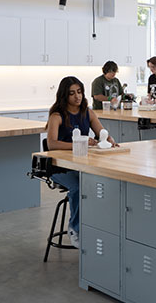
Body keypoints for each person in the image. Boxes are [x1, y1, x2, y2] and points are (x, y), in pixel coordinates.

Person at [46, 76, 118, 249]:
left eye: (79, 92)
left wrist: (109, 139)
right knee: (78, 187)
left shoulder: (88, 112)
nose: (77, 97)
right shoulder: (57, 116)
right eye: (72, 93)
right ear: (64, 95)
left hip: (81, 164)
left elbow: (102, 132)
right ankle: (75, 228)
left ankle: (96, 226)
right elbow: (52, 144)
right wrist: (81, 143)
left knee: (102, 182)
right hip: (59, 168)